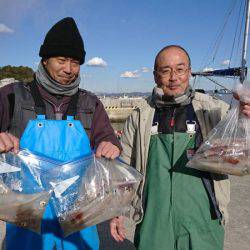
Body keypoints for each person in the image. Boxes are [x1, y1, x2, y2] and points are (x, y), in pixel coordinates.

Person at [110, 45, 250, 250]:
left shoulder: (213, 109)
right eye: (165, 71)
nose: (173, 77)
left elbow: (240, 155)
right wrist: (117, 211)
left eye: (180, 69)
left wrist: (244, 118)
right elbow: (124, 168)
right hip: (153, 221)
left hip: (204, 221)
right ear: (155, 76)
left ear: (190, 72)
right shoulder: (140, 115)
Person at [0, 17, 121, 250]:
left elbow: (108, 139)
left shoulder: (90, 103)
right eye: (61, 60)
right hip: (26, 220)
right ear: (45, 60)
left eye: (75, 62)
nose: (69, 69)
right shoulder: (11, 96)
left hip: (79, 219)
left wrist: (109, 144)